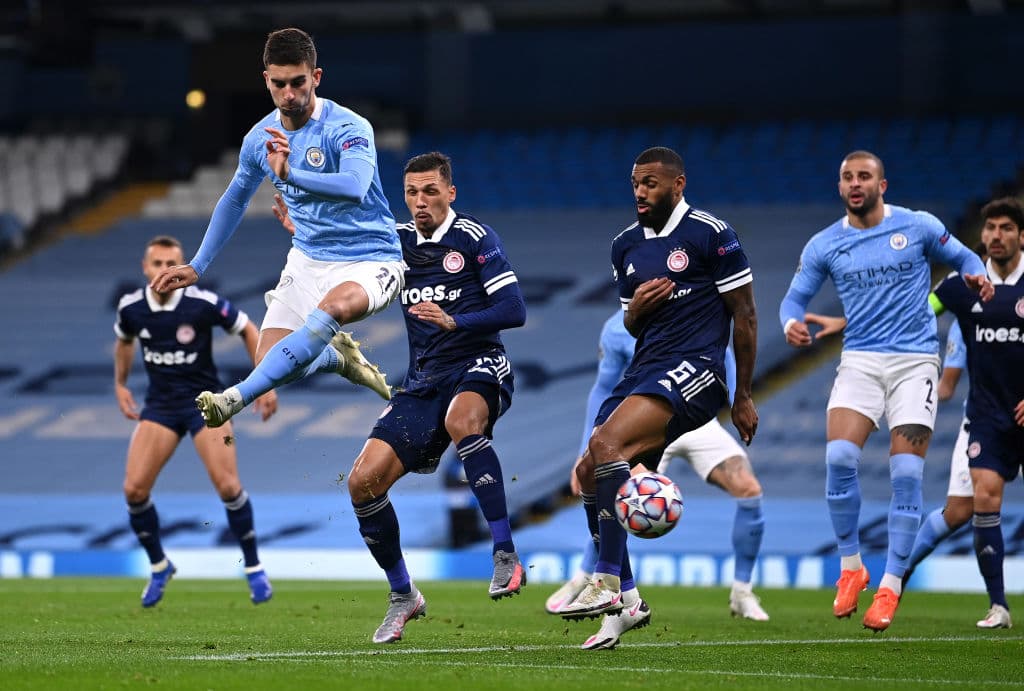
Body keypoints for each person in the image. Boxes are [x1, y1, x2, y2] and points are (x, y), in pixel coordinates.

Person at [274, 152, 527, 644]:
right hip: (423, 381)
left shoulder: (475, 239)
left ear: (450, 192)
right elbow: (339, 255)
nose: (419, 202)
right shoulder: (394, 242)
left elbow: (513, 308)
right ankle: (402, 594)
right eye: (412, 192)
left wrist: (456, 321)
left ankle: (504, 554)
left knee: (462, 421)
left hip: (479, 364)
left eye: (430, 191)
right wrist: (301, 232)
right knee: (362, 483)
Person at [779, 150, 993, 632]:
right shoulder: (825, 244)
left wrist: (977, 273)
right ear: (839, 187)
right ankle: (852, 568)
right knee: (837, 460)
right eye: (847, 177)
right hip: (859, 361)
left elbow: (963, 256)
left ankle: (891, 587)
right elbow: (793, 299)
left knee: (905, 474)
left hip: (915, 363)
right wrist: (790, 322)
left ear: (883, 184)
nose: (856, 184)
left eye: (865, 177)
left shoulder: (917, 227)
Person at [150, 27, 405, 428]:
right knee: (271, 359)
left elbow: (355, 187)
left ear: (315, 78)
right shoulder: (259, 139)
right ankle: (337, 358)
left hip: (369, 258)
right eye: (279, 84)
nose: (289, 94)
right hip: (307, 259)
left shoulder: (349, 128)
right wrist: (197, 265)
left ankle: (231, 399)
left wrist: (293, 173)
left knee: (334, 309)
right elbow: (235, 198)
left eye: (298, 82)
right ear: (266, 80)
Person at [559, 147, 759, 636]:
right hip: (646, 369)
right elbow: (632, 321)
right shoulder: (624, 246)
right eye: (635, 184)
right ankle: (628, 600)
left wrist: (744, 394)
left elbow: (745, 315)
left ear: (678, 184)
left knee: (606, 446)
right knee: (590, 471)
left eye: (650, 184)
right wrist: (635, 311)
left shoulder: (712, 234)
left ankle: (603, 578)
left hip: (698, 369)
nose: (640, 193)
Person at [545, 311, 768, 649]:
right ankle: (593, 579)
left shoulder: (694, 311)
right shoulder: (615, 329)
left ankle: (742, 593)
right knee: (613, 489)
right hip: (640, 422)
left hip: (692, 414)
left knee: (748, 489)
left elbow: (725, 355)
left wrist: (741, 399)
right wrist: (582, 449)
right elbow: (603, 387)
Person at [114, 235, 278, 607]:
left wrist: (263, 380)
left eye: (171, 264)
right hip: (160, 406)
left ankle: (253, 567)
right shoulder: (131, 308)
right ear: (145, 267)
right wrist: (121, 384)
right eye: (157, 263)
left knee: (228, 486)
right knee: (134, 491)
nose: (163, 271)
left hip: (207, 405)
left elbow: (247, 327)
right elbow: (124, 341)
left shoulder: (201, 304)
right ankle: (159, 565)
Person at [931, 197, 1024, 629]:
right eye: (990, 228)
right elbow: (917, 309)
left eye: (1006, 228)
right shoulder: (962, 283)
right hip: (988, 415)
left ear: (1021, 237)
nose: (996, 236)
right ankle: (999, 606)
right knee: (984, 498)